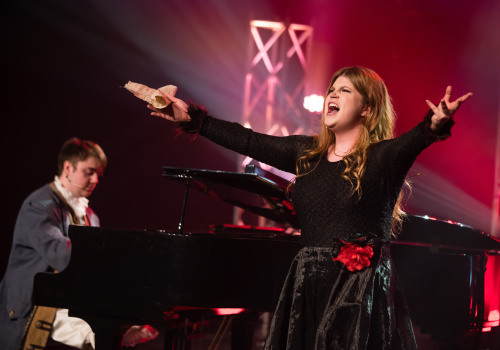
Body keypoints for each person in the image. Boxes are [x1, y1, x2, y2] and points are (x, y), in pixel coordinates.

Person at [147, 66, 472, 349]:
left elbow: (418, 137)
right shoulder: (306, 152)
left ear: (366, 109)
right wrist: (194, 119)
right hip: (308, 281)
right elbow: (248, 141)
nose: (333, 93)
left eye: (345, 90)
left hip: (357, 290)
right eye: (332, 88)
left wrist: (438, 120)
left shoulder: (382, 157)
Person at [0, 138, 158, 349]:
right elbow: (61, 255)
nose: (95, 180)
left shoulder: (90, 216)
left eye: (98, 175)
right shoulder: (40, 205)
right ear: (68, 167)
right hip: (29, 310)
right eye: (89, 172)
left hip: (63, 307)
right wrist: (117, 258)